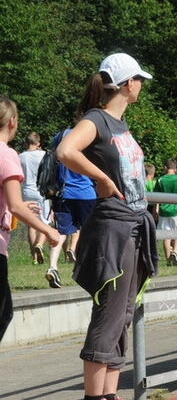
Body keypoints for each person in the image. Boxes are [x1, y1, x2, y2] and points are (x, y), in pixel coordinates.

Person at [56, 52, 157, 400]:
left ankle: (109, 399)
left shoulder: (119, 124)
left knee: (123, 312)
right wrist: (100, 177)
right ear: (129, 83)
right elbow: (66, 150)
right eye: (139, 80)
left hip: (130, 223)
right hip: (112, 224)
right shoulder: (96, 119)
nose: (141, 86)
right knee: (109, 310)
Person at [0, 98, 60, 343]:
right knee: (3, 313)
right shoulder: (7, 155)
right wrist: (49, 231)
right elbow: (15, 204)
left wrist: (16, 206)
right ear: (12, 122)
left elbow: (12, 204)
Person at [44, 123, 98, 288]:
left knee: (61, 232)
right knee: (92, 232)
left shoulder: (60, 135)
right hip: (85, 193)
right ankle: (93, 269)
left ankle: (53, 266)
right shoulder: (89, 136)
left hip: (63, 192)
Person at [18, 131, 50, 264]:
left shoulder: (21, 156)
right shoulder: (43, 154)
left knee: (31, 224)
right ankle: (40, 245)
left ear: (27, 142)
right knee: (44, 222)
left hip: (27, 191)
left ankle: (34, 258)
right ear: (38, 143)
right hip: (41, 191)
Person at [155, 157, 177, 265]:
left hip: (164, 211)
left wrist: (155, 211)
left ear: (165, 167)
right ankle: (174, 252)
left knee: (166, 236)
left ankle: (168, 260)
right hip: (176, 210)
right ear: (175, 169)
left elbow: (155, 196)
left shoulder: (160, 180)